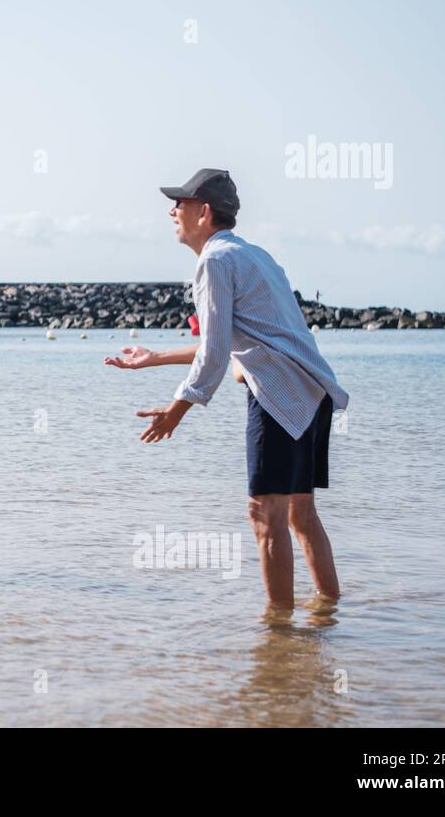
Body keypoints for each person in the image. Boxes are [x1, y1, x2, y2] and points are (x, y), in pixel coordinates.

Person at [106, 169, 348, 610]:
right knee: (300, 515)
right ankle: (328, 613)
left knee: (264, 515)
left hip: (279, 395)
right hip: (312, 392)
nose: (172, 211)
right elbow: (234, 339)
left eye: (180, 203)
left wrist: (176, 411)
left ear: (205, 212)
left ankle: (279, 633)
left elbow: (216, 352)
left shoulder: (215, 261)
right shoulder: (255, 255)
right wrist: (155, 357)